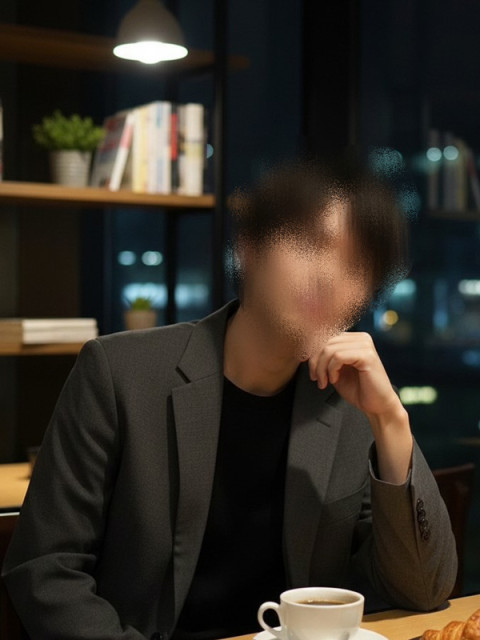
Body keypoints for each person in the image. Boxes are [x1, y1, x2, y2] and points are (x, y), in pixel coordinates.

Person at [2, 157, 456, 640]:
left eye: (356, 265)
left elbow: (422, 590)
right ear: (250, 248)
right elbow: (45, 569)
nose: (329, 275)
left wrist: (391, 421)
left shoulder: (350, 403)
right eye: (311, 244)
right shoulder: (119, 374)